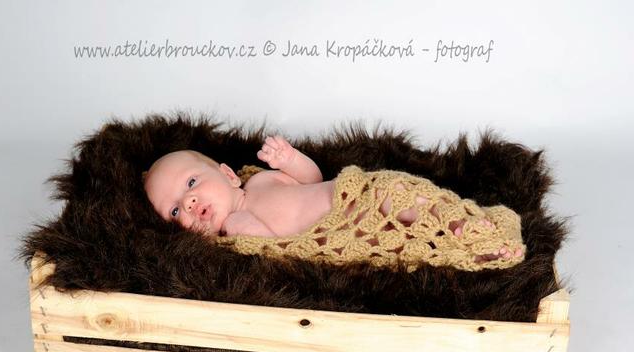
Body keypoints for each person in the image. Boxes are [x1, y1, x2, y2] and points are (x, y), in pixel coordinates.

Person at [143, 136, 523, 265]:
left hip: (356, 198)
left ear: (228, 175)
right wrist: (240, 232)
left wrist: (289, 159)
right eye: (174, 210)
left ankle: (457, 220)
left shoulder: (259, 180)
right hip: (342, 235)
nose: (189, 201)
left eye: (191, 182)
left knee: (401, 193)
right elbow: (275, 249)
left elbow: (311, 179)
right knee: (409, 251)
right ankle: (477, 252)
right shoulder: (233, 231)